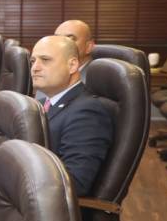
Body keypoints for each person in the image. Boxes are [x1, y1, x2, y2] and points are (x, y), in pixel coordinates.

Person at [31, 35, 113, 196]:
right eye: (33, 61)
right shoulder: (40, 104)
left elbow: (75, 182)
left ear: (72, 65)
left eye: (45, 60)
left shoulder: (88, 112)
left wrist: (6, 177)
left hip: (44, 205)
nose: (35, 67)